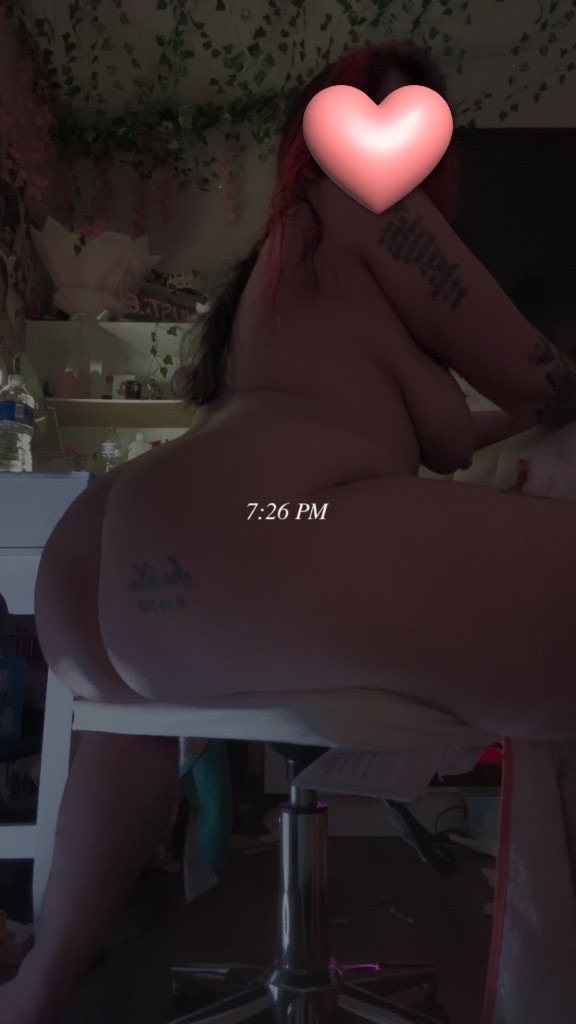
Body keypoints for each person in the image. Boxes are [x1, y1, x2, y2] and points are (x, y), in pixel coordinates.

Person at [2, 39, 576, 1024]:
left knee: (130, 727)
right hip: (275, 519)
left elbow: (448, 433)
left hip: (118, 553)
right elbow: (533, 375)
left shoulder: (289, 274)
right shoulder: (368, 196)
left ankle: (38, 985)